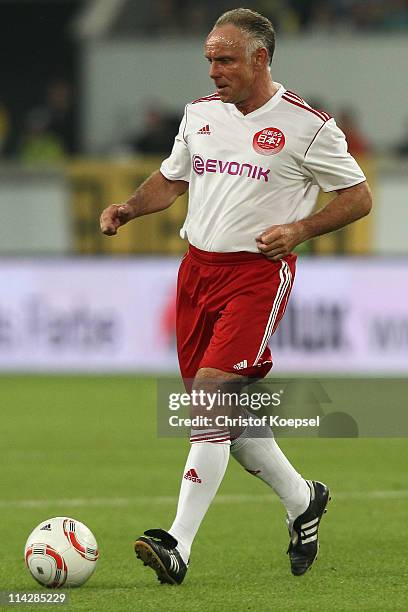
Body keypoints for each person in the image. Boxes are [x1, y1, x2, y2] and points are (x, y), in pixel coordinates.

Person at [100, 8, 372, 585]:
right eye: (209, 60)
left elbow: (358, 196)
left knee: (210, 394)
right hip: (197, 273)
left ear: (260, 58)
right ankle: (304, 499)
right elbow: (173, 179)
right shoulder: (200, 115)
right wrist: (128, 206)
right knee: (234, 425)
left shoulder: (308, 126)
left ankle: (178, 544)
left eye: (224, 59)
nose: (213, 71)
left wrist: (299, 230)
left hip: (255, 276)